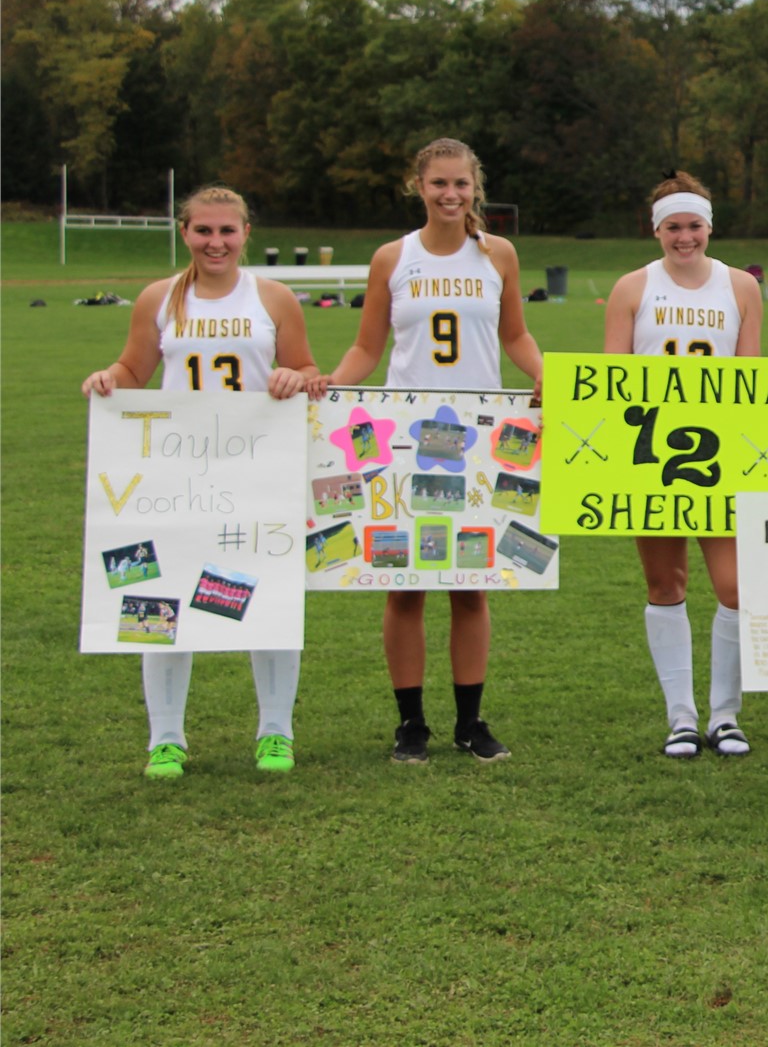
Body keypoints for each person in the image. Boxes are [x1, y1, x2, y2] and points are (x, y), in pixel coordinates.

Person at [314, 138, 542, 764]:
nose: (450, 195)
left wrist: (545, 374)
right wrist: (332, 384)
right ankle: (410, 724)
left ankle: (470, 722)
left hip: (480, 439)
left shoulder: (498, 254)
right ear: (419, 186)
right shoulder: (394, 256)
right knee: (404, 584)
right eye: (439, 184)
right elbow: (367, 348)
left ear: (476, 187)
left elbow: (515, 335)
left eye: (461, 185)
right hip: (408, 438)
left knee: (472, 583)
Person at [82, 185, 318, 779]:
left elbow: (308, 368)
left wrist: (296, 375)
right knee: (158, 598)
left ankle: (275, 733)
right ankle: (165, 737)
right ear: (183, 232)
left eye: (228, 231)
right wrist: (108, 378)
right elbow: (134, 368)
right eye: (203, 230)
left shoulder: (275, 297)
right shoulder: (159, 298)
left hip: (258, 472)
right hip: (174, 474)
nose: (216, 242)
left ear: (246, 233)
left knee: (267, 599)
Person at [604, 171, 765, 758]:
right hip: (651, 455)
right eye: (673, 226)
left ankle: (725, 715)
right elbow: (609, 380)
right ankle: (681, 717)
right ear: (657, 229)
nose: (684, 237)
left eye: (694, 225)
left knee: (736, 586)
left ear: (709, 226)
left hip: (719, 457)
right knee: (664, 582)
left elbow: (752, 380)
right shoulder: (631, 288)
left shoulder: (740, 287)